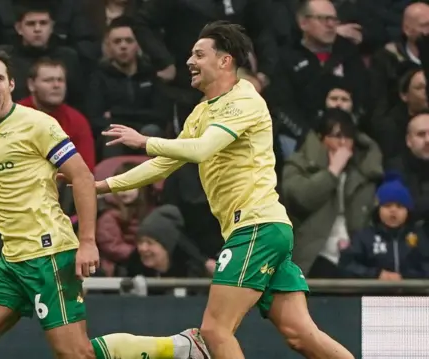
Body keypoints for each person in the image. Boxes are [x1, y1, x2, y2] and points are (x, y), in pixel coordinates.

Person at [0, 47, 210, 359]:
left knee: (75, 354)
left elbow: (82, 177)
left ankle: (178, 348)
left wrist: (87, 242)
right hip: (12, 263)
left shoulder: (37, 124)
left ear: (11, 85)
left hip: (50, 255)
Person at [93, 21, 355, 359]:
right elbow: (164, 163)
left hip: (255, 228)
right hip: (266, 229)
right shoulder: (202, 112)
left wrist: (144, 140)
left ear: (225, 61)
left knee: (215, 332)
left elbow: (201, 149)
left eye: (199, 54)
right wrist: (102, 186)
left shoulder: (245, 98)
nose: (189, 61)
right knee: (301, 336)